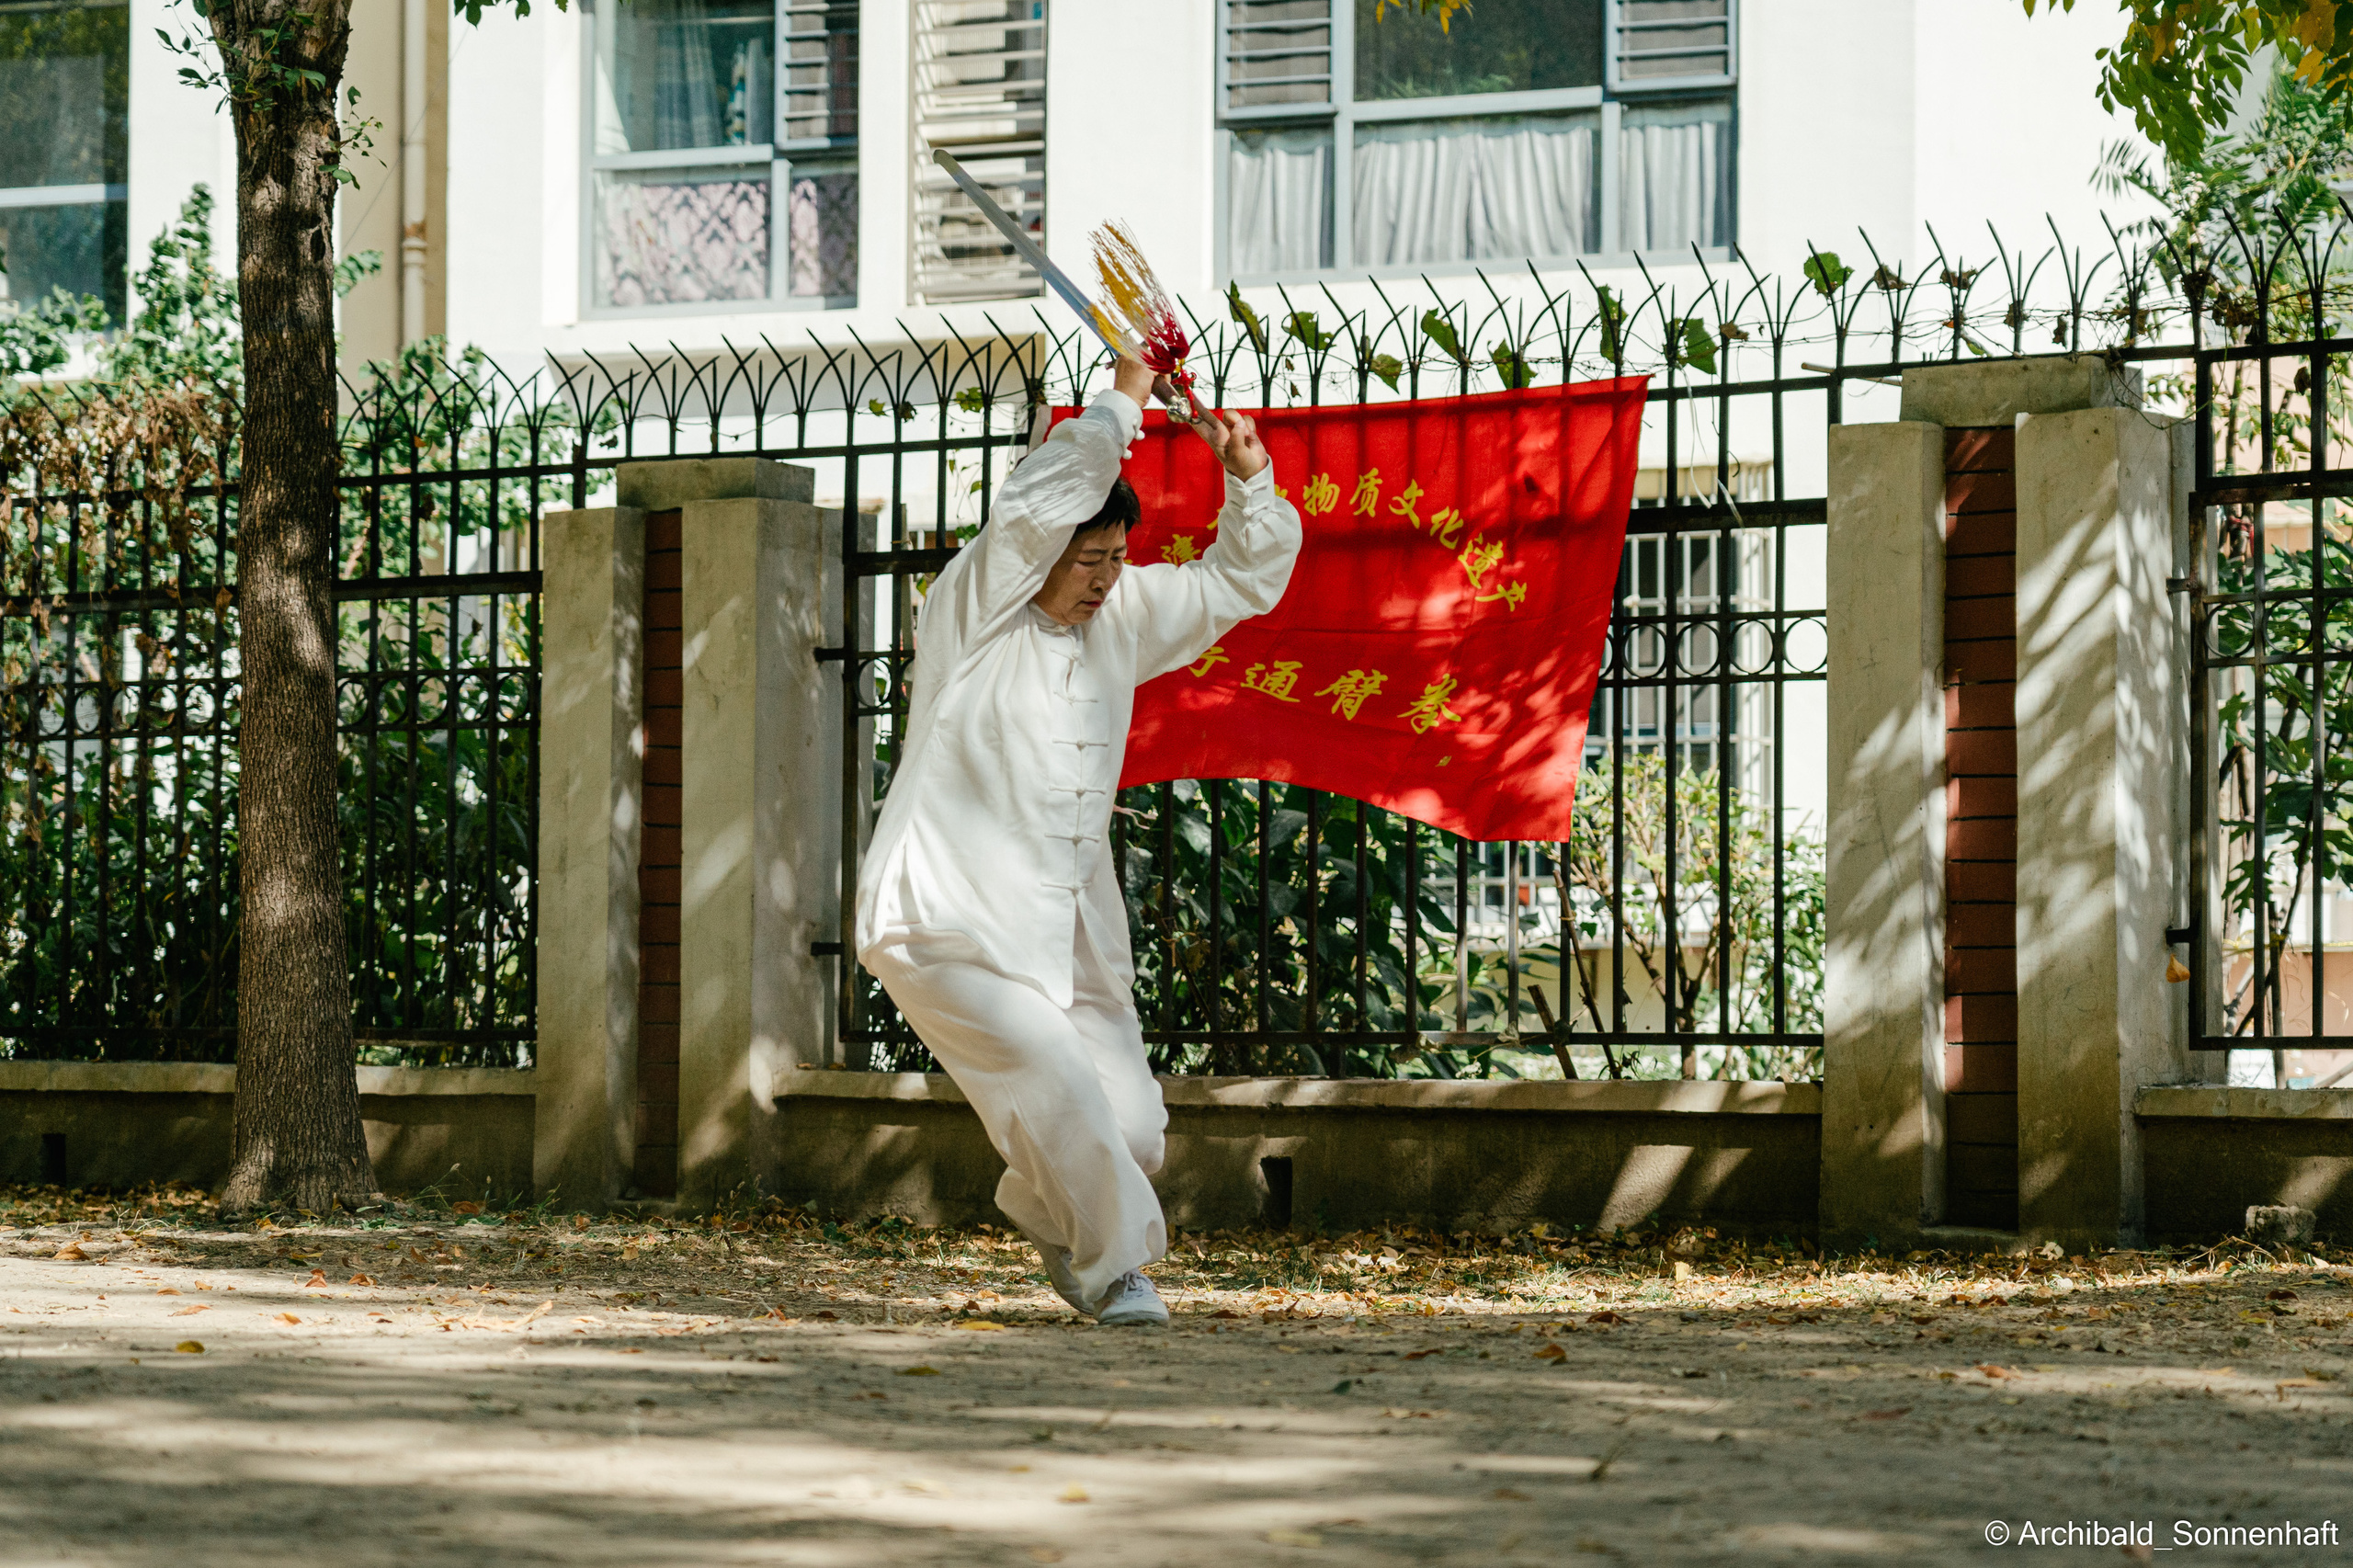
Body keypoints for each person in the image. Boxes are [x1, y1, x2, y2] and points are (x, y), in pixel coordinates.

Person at [854, 355, 1301, 1325]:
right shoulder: (971, 614)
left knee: (1133, 1132)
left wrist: (1249, 478)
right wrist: (1127, 396)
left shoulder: (1125, 613)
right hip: (946, 918)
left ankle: (1045, 1210)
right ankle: (1118, 1270)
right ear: (1039, 555)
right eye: (1084, 559)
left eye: (1113, 559)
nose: (1102, 579)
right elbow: (1037, 501)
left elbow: (1237, 581)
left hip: (1066, 919)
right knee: (1056, 1086)